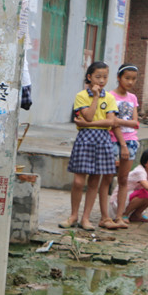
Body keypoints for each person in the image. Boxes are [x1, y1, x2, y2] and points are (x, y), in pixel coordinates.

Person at [60, 62, 121, 232]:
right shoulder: (81, 96)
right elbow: (87, 115)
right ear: (89, 77)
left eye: (105, 77)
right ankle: (73, 215)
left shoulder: (109, 98)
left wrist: (89, 124)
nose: (102, 81)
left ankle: (85, 218)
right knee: (79, 181)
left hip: (103, 140)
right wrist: (95, 97)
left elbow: (111, 121)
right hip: (85, 140)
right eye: (98, 76)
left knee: (94, 181)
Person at [108, 64, 140, 227]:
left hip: (132, 141)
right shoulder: (110, 96)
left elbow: (135, 122)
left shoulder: (133, 98)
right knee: (106, 178)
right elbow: (112, 123)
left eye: (133, 79)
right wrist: (122, 144)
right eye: (127, 78)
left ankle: (119, 216)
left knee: (123, 179)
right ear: (119, 77)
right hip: (114, 141)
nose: (130, 82)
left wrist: (119, 121)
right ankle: (106, 216)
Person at [111, 148, 148, 224]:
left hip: (130, 197)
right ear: (145, 162)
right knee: (145, 192)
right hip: (119, 200)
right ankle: (124, 214)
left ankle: (136, 214)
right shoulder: (140, 172)